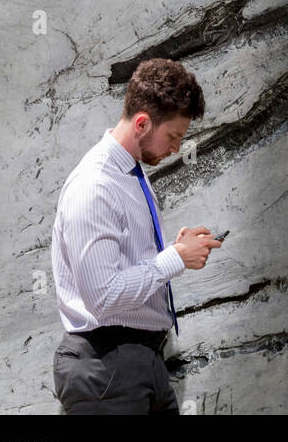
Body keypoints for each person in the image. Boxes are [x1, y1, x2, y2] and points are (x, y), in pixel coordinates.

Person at [50, 57, 221, 414]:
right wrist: (174, 259)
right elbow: (102, 295)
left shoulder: (130, 174)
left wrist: (176, 248)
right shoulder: (95, 185)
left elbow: (124, 267)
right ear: (142, 123)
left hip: (139, 363)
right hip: (106, 370)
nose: (176, 148)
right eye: (173, 136)